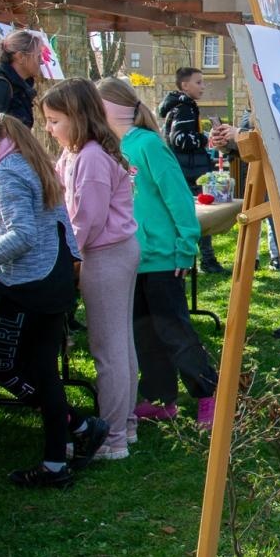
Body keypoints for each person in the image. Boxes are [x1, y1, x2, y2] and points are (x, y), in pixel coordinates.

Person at [0, 104, 108, 487]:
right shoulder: (23, 157)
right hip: (54, 273)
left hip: (32, 283)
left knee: (2, 364)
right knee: (41, 370)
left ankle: (71, 437)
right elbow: (38, 219)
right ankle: (65, 445)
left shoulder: (6, 171)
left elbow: (21, 236)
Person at [97, 78, 220, 428]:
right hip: (132, 259)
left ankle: (208, 392)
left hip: (164, 257)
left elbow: (178, 197)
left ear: (109, 107)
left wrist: (185, 248)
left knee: (173, 331)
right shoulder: (111, 148)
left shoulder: (147, 144)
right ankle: (160, 398)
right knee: (143, 333)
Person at [41, 80, 141, 460]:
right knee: (117, 344)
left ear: (77, 118)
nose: (49, 129)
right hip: (108, 252)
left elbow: (86, 220)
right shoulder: (78, 152)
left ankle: (113, 437)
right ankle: (124, 426)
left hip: (106, 255)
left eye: (54, 120)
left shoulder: (92, 157)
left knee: (109, 348)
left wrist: (70, 259)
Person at [158, 66, 224, 275]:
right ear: (185, 85)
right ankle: (204, 259)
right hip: (188, 171)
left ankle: (199, 259)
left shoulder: (185, 107)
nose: (203, 87)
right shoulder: (183, 108)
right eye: (199, 82)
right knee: (197, 217)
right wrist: (205, 138)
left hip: (190, 168)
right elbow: (179, 139)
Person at [0, 29, 42, 128]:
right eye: (38, 56)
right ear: (21, 57)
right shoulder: (0, 88)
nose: (42, 62)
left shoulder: (19, 88)